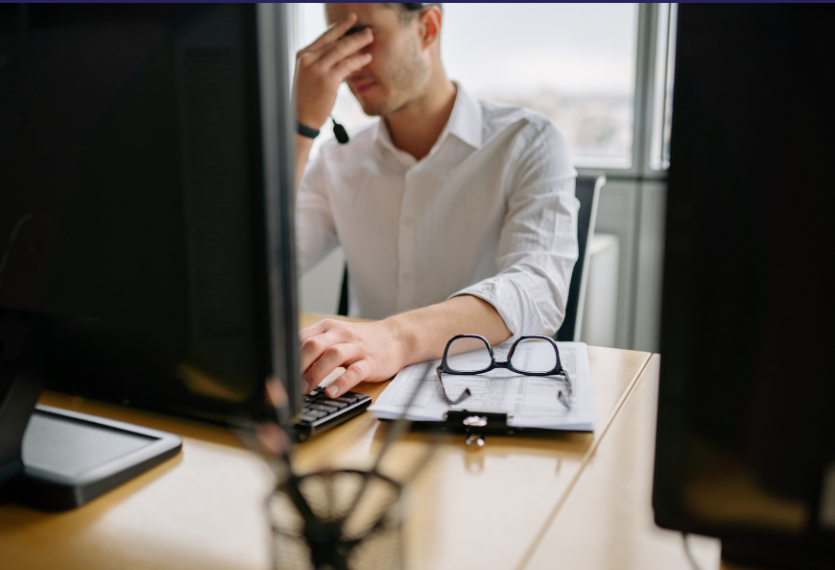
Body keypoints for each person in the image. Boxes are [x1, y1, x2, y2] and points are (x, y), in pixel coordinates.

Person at [294, 3, 579, 399]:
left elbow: (538, 288)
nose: (345, 63)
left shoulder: (528, 141)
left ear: (427, 27)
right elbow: (252, 269)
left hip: (483, 399)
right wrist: (299, 127)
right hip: (363, 398)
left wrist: (394, 337)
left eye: (360, 35)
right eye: (334, 40)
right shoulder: (337, 160)